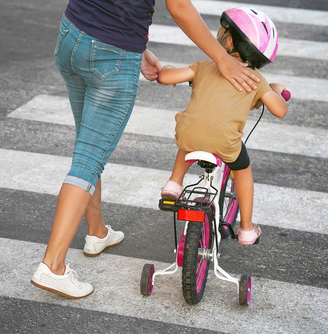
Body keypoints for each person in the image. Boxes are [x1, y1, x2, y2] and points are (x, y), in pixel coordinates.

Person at [31, 0, 263, 300]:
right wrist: (222, 58)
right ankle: (53, 265)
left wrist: (136, 46)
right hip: (111, 55)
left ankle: (96, 232)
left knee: (87, 144)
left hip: (71, 36)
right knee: (89, 158)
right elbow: (178, 5)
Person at [159, 7, 289, 245]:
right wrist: (274, 90)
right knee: (243, 169)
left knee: (188, 140)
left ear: (228, 41)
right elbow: (280, 110)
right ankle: (247, 228)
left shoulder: (203, 66)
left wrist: (166, 69)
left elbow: (165, 77)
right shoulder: (256, 81)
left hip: (189, 134)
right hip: (225, 143)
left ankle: (174, 184)